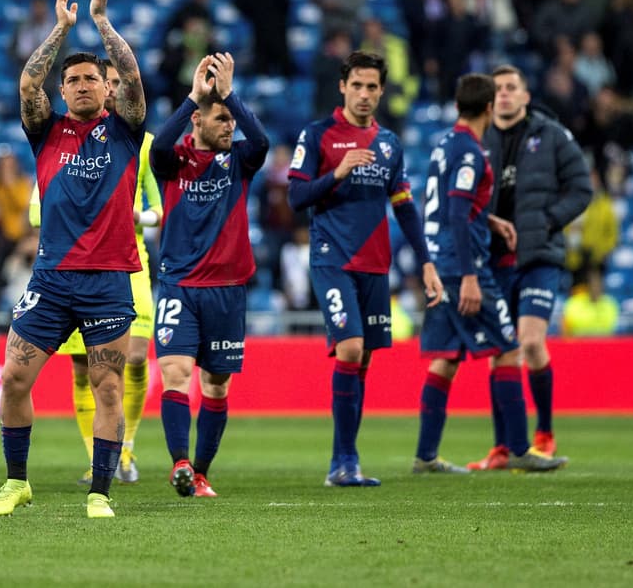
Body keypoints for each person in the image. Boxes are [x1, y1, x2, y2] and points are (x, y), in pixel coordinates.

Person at [0, 0, 145, 520]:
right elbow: (27, 86)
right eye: (72, 80)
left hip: (107, 279)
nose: (80, 85)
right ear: (63, 90)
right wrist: (60, 29)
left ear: (107, 88)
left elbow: (132, 73)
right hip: (51, 278)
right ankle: (16, 482)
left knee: (107, 387)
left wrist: (100, 21)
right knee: (13, 378)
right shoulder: (47, 131)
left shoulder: (125, 129)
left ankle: (100, 492)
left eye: (90, 79)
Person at [287, 50, 443, 486]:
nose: (364, 94)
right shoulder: (318, 135)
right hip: (331, 258)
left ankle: (347, 462)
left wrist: (426, 262)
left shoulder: (389, 143)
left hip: (375, 264)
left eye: (372, 87)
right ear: (343, 87)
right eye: (356, 85)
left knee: (362, 360)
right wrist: (337, 173)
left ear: (381, 91)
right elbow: (296, 198)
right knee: (351, 349)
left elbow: (404, 206)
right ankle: (343, 460)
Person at [413, 74, 567, 475]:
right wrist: (469, 276)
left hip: (440, 262)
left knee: (446, 358)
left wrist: (490, 220)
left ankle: (426, 456)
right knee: (508, 350)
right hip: (464, 267)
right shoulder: (471, 152)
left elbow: (453, 205)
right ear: (487, 108)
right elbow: (457, 213)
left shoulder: (444, 145)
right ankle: (518, 449)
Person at [28, 59, 162, 486]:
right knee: (83, 368)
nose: (113, 89)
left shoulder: (141, 142)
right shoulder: (55, 142)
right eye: (77, 80)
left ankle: (126, 447)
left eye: (111, 82)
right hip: (68, 264)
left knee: (134, 360)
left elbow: (158, 210)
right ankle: (96, 458)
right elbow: (35, 210)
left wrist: (133, 216)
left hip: (126, 262)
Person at [150, 52, 269, 498]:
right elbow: (158, 147)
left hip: (227, 289)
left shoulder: (240, 159)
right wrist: (193, 98)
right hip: (180, 285)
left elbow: (262, 142)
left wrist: (230, 96)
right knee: (176, 372)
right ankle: (180, 462)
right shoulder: (174, 161)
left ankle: (200, 472)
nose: (230, 126)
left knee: (216, 384)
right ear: (197, 121)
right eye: (221, 119)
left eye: (232, 120)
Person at [467, 65, 590, 470]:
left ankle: (545, 433)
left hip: (539, 256)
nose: (503, 94)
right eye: (498, 89)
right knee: (500, 351)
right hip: (494, 259)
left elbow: (582, 188)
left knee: (531, 342)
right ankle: (502, 447)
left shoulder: (552, 134)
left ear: (525, 95)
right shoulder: (479, 136)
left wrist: (547, 222)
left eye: (511, 87)